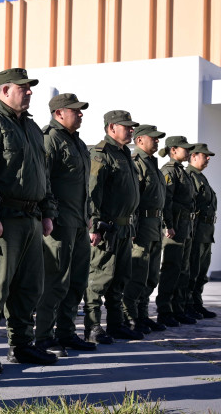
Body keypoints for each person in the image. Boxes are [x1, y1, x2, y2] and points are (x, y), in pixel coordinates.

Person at [0, 68, 56, 375]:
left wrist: (47, 212)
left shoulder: (32, 129)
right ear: (5, 91)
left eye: (30, 88)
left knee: (29, 287)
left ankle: (21, 345)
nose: (29, 92)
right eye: (24, 88)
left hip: (30, 219)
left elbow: (43, 175)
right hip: (3, 220)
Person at [35, 93, 97, 357]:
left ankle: (66, 333)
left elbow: (86, 187)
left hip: (80, 222)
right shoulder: (50, 138)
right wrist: (48, 215)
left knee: (77, 281)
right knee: (55, 282)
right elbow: (44, 180)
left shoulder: (78, 143)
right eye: (76, 110)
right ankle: (44, 337)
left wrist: (91, 219)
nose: (80, 114)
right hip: (60, 223)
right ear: (59, 113)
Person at [83, 110, 142, 345]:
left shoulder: (125, 153)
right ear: (111, 128)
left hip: (125, 228)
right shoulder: (101, 154)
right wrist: (94, 225)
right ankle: (93, 326)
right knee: (99, 278)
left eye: (131, 126)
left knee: (120, 279)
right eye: (126, 126)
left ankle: (116, 324)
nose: (131, 130)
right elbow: (92, 192)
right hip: (107, 228)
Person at [122, 124, 167, 334]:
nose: (157, 141)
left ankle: (142, 315)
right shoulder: (136, 163)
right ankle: (129, 317)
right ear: (140, 140)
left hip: (154, 227)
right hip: (141, 228)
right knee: (137, 274)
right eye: (153, 138)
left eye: (158, 139)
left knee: (150, 276)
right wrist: (132, 230)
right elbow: (132, 200)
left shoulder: (153, 165)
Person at [156, 136, 197, 327]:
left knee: (183, 270)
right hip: (175, 228)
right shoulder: (169, 171)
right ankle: (165, 311)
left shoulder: (182, 171)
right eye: (184, 149)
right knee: (172, 268)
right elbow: (166, 201)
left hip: (185, 227)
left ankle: (178, 309)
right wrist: (168, 224)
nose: (188, 152)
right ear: (173, 150)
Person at [186, 143, 218, 319]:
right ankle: (188, 304)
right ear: (194, 156)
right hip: (196, 231)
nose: (208, 159)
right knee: (192, 269)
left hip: (206, 231)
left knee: (201, 271)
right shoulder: (190, 176)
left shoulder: (201, 177)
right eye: (205, 155)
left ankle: (197, 303)